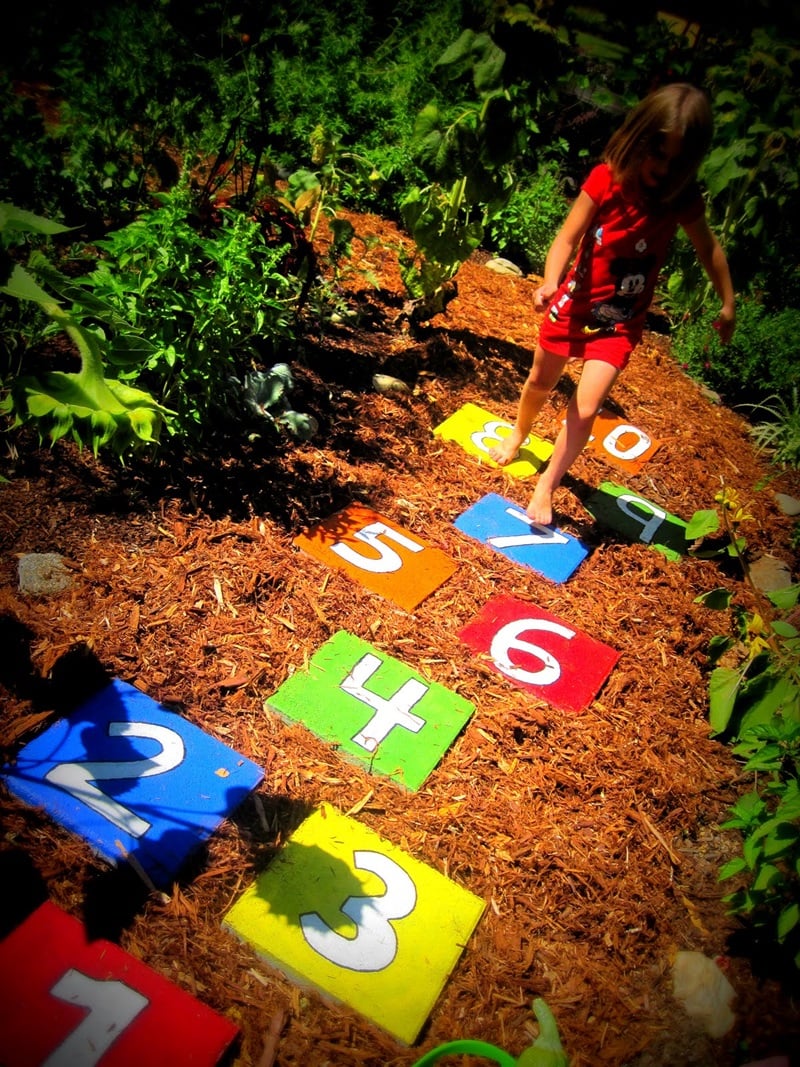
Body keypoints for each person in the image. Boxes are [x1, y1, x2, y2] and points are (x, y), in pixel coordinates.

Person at [489, 82, 736, 525]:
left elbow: (709, 250)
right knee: (540, 383)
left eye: (675, 160)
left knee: (585, 407)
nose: (661, 167)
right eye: (656, 152)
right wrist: (549, 282)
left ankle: (547, 485)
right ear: (638, 138)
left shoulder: (680, 199)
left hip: (620, 322)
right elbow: (567, 237)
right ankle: (520, 431)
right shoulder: (606, 179)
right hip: (575, 303)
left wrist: (728, 301)